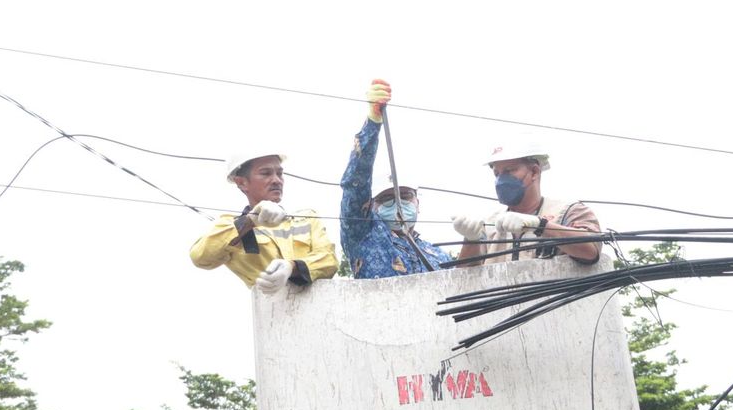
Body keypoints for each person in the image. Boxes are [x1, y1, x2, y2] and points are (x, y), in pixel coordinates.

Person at [339, 79, 450, 278]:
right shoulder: (363, 237)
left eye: (405, 196)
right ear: (372, 206)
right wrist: (372, 124)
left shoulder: (439, 255)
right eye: (386, 199)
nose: (398, 203)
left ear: (418, 203)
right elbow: (355, 185)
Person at [189, 150, 338, 293]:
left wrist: (292, 267)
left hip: (319, 310)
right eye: (266, 173)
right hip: (270, 312)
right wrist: (250, 220)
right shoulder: (233, 228)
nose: (276, 180)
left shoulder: (306, 219)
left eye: (279, 173)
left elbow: (329, 261)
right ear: (241, 183)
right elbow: (201, 257)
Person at [452, 138, 603, 266]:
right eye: (497, 173)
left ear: (534, 172)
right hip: (501, 302)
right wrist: (471, 240)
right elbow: (464, 281)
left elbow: (591, 251)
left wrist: (540, 225)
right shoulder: (490, 225)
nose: (501, 180)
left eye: (509, 170)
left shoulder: (568, 211)